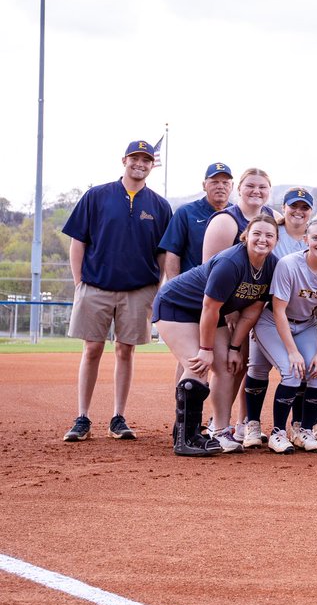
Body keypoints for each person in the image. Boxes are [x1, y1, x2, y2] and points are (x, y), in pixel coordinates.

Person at [61, 139, 173, 443]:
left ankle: (118, 418)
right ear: (124, 160)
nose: (140, 163)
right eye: (135, 158)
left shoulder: (160, 205)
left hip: (138, 289)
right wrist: (78, 283)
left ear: (152, 164)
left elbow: (164, 253)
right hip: (95, 285)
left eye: (146, 159)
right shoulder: (97, 196)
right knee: (92, 348)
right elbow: (78, 241)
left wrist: (158, 287)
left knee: (125, 350)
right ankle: (82, 417)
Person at [152, 213, 278, 455]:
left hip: (211, 312)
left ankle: (219, 431)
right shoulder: (231, 262)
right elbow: (209, 308)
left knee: (226, 366)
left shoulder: (271, 266)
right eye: (257, 233)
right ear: (246, 236)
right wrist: (206, 349)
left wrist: (233, 348)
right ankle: (186, 438)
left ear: (276, 240)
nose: (263, 239)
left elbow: (251, 313)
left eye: (269, 235)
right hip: (177, 306)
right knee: (198, 363)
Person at [246, 217, 317, 454]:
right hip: (272, 322)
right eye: (315, 238)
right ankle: (277, 433)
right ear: (305, 239)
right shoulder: (288, 264)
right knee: (292, 372)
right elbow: (279, 310)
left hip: (306, 324)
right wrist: (293, 352)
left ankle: (304, 430)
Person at [158, 162, 233, 280]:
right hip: (192, 286)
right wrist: (174, 287)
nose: (220, 186)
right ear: (204, 185)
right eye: (214, 182)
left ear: (232, 186)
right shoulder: (186, 212)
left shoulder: (237, 215)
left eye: (225, 182)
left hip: (227, 287)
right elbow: (173, 252)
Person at [202, 168, 275, 261]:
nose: (256, 191)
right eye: (250, 186)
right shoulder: (224, 221)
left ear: (269, 191)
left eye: (262, 187)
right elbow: (209, 268)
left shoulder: (274, 217)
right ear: (239, 189)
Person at [273, 187, 314, 258]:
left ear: (311, 211)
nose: (298, 211)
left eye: (305, 208)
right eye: (293, 206)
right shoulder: (272, 233)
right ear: (283, 207)